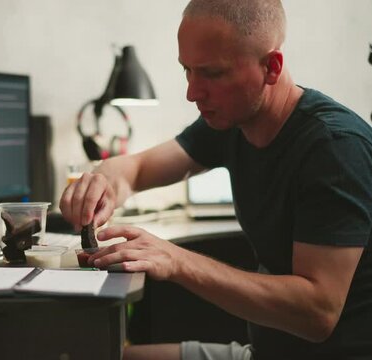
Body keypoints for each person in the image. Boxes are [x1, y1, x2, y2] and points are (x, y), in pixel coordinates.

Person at [59, 0, 372, 359]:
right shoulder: (234, 121)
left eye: (213, 74)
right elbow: (138, 169)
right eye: (187, 71)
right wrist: (103, 182)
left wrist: (176, 260)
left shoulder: (333, 149)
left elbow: (318, 313)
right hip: (263, 351)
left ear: (272, 67)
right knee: (94, 354)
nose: (193, 92)